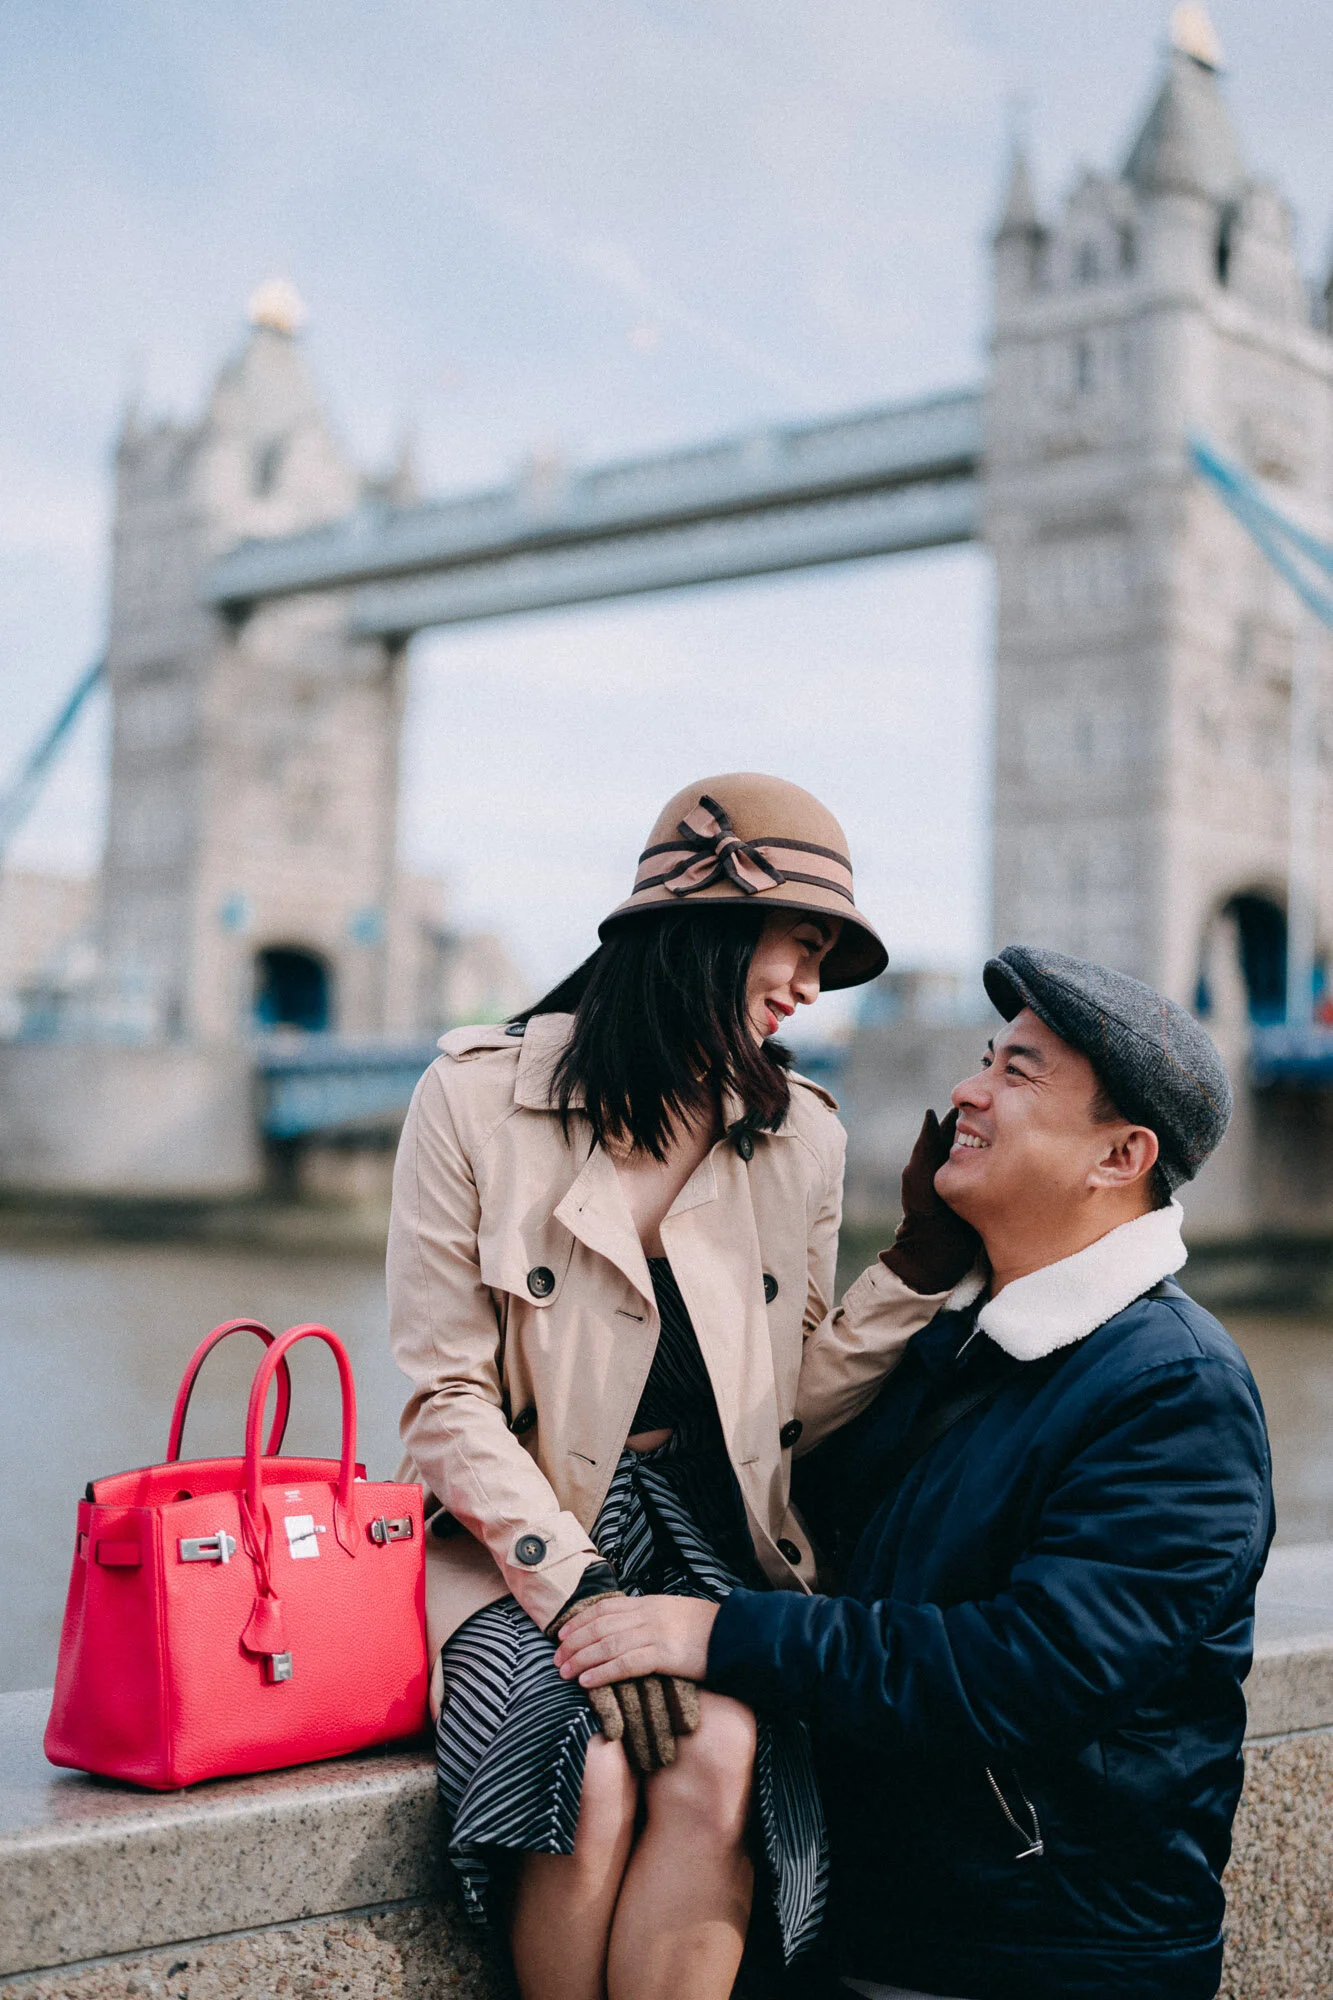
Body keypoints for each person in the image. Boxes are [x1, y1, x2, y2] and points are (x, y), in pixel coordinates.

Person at [556, 946, 1276, 2000]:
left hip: (1042, 1955)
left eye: (1017, 1073)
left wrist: (722, 1634)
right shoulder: (962, 1338)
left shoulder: (1173, 1387)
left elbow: (1030, 1669)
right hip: (882, 1924)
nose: (967, 1092)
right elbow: (800, 1520)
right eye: (985, 1059)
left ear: (1120, 1155)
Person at [388, 773, 973, 2000]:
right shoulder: (475, 1098)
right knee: (589, 1772)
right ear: (705, 923)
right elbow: (445, 1397)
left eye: (825, 958)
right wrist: (579, 1587)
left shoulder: (801, 1132)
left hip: (707, 1533)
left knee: (722, 1756)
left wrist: (914, 1265)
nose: (809, 986)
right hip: (517, 1535)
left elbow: (787, 1398)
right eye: (797, 942)